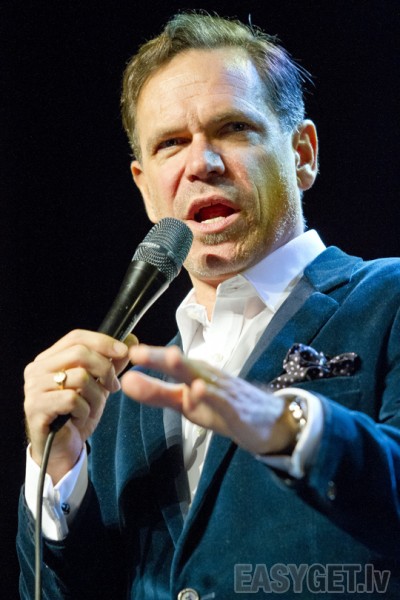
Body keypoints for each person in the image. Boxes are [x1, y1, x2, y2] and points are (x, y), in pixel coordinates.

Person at [17, 11, 400, 600]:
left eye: (234, 128)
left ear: (302, 153)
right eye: (171, 143)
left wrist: (288, 427)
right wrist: (60, 471)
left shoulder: (387, 299)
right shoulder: (120, 393)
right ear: (145, 186)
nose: (201, 164)